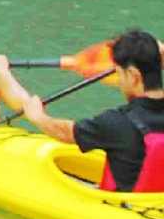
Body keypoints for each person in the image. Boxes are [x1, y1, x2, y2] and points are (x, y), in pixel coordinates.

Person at [24, 29, 164, 192]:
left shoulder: (116, 122)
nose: (119, 83)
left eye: (119, 75)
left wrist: (38, 116)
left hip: (123, 207)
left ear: (133, 76)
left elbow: (65, 132)